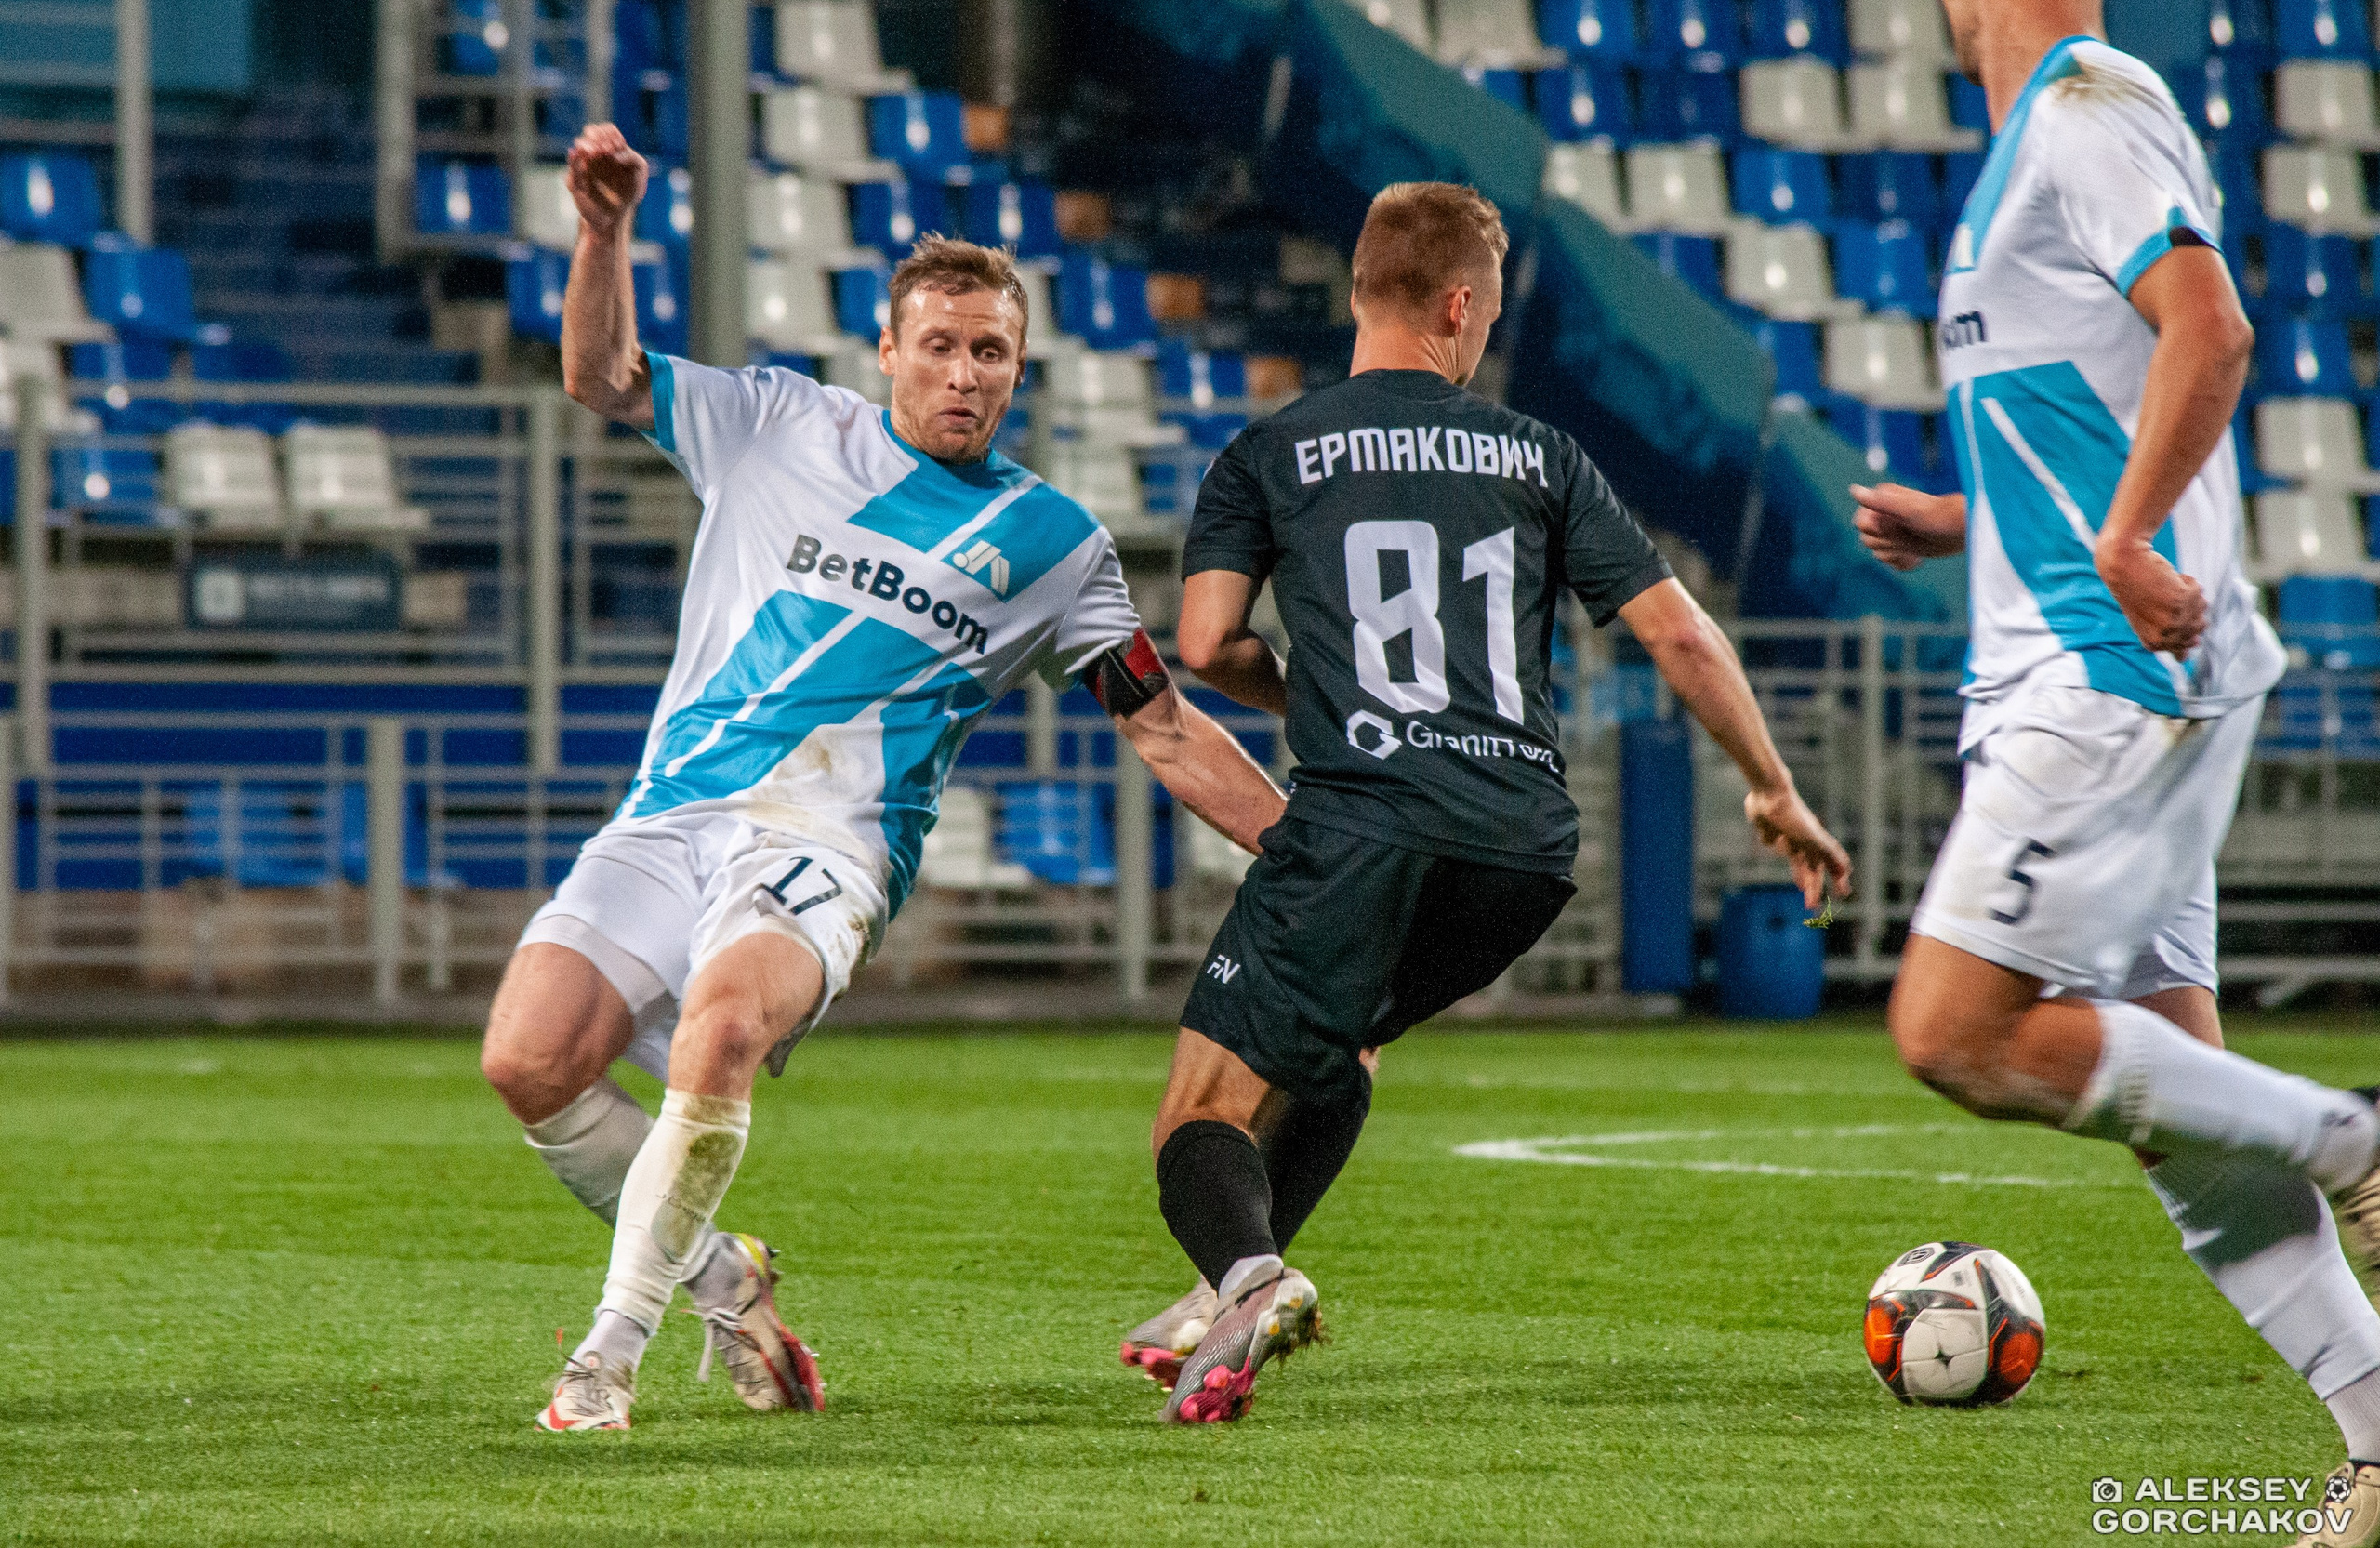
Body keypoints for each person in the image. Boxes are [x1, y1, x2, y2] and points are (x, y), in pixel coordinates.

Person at [480, 123, 1289, 1433]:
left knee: (722, 1028)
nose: (965, 376)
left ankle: (605, 1354)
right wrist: (604, 228)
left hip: (830, 846)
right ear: (889, 352)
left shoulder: (1054, 545)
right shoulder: (774, 422)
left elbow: (1166, 728)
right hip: (675, 807)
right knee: (528, 1060)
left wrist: (1307, 845)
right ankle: (723, 1272)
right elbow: (599, 373)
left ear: (1018, 368)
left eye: (992, 354)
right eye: (942, 347)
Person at [1123, 180, 1854, 1423]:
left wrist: (1309, 693)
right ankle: (1223, 1303)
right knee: (1339, 1051)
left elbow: (1202, 642)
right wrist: (1772, 787)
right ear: (1462, 306)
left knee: (1197, 1111)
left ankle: (1245, 1276)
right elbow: (1678, 638)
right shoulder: (1541, 455)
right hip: (1524, 854)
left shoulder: (1269, 451)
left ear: (1362, 294)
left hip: (1361, 822)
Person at [1850, 0, 2380, 1541]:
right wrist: (1972, 520)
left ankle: (2354, 1135)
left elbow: (2209, 330)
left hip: (2097, 684)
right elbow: (2094, 394)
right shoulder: (2039, 136)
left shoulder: (2086, 107)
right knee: (2179, 1113)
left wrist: (2133, 534)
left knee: (1951, 1032)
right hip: (2111, 672)